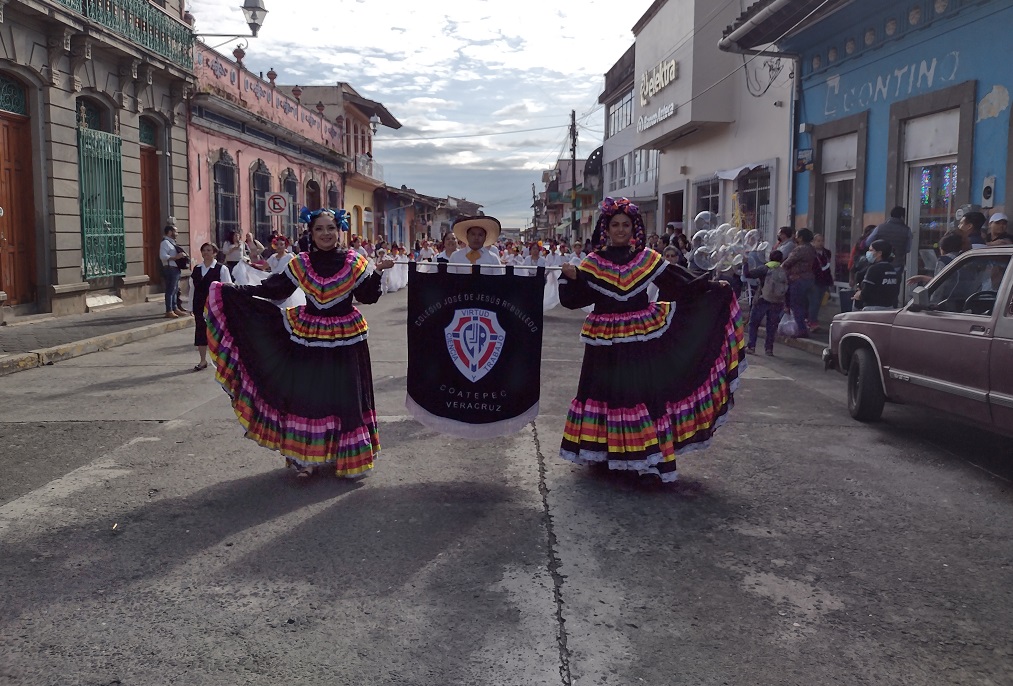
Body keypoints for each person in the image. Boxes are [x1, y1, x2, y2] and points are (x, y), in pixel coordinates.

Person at [557, 197, 746, 484]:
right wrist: (571, 279)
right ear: (605, 229)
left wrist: (711, 287)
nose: (620, 230)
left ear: (635, 228)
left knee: (640, 395)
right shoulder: (592, 262)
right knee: (604, 393)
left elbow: (681, 284)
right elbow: (575, 300)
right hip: (603, 344)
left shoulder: (646, 259)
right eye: (615, 225)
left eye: (626, 225)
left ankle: (646, 460)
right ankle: (606, 453)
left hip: (639, 340)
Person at [205, 207, 396, 479]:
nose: (326, 234)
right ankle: (305, 457)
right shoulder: (301, 263)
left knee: (346, 396)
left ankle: (348, 457)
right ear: (311, 232)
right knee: (308, 396)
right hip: (309, 339)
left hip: (347, 338)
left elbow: (368, 297)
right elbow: (273, 291)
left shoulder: (355, 262)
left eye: (331, 228)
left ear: (339, 230)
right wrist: (232, 292)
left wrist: (377, 271)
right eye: (319, 229)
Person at [188, 243, 232, 371]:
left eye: (209, 250)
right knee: (200, 331)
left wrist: (227, 306)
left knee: (217, 332)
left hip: (215, 306)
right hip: (199, 305)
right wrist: (191, 306)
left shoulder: (221, 269)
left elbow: (228, 287)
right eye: (204, 250)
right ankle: (202, 360)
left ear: (214, 253)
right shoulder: (196, 269)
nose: (206, 253)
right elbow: (192, 289)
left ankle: (221, 360)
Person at [743, 250, 786, 356]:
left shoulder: (765, 268)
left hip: (762, 299)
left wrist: (745, 264)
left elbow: (748, 274)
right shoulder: (783, 271)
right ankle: (769, 349)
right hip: (777, 301)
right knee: (771, 326)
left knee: (754, 323)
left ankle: (751, 346)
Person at [780, 228, 817, 338]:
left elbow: (787, 262)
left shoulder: (799, 250)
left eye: (797, 236)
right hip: (809, 279)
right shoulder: (811, 249)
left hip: (798, 279)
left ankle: (801, 329)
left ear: (801, 238)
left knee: (796, 306)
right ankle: (805, 326)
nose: (795, 238)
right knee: (805, 305)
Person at [853, 239, 900, 311]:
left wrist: (859, 295)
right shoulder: (892, 269)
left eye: (871, 250)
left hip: (872, 309)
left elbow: (866, 292)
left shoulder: (874, 269)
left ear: (879, 253)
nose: (868, 253)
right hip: (889, 308)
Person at [868, 206, 912, 275]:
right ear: (902, 217)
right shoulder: (907, 230)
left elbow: (868, 242)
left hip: (880, 263)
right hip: (897, 264)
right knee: (893, 284)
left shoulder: (880, 228)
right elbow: (908, 249)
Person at [159, 225, 188, 319]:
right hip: (170, 268)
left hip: (175, 268)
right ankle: (169, 310)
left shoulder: (172, 243)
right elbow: (162, 256)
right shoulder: (165, 243)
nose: (177, 234)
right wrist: (176, 257)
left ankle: (175, 308)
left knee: (175, 289)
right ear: (170, 232)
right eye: (175, 231)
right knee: (170, 290)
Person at [809, 233, 833, 333]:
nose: (820, 243)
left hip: (825, 280)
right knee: (814, 301)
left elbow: (827, 267)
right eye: (818, 241)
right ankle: (812, 322)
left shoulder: (827, 252)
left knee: (820, 301)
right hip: (814, 280)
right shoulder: (811, 253)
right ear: (813, 242)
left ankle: (813, 319)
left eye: (822, 241)